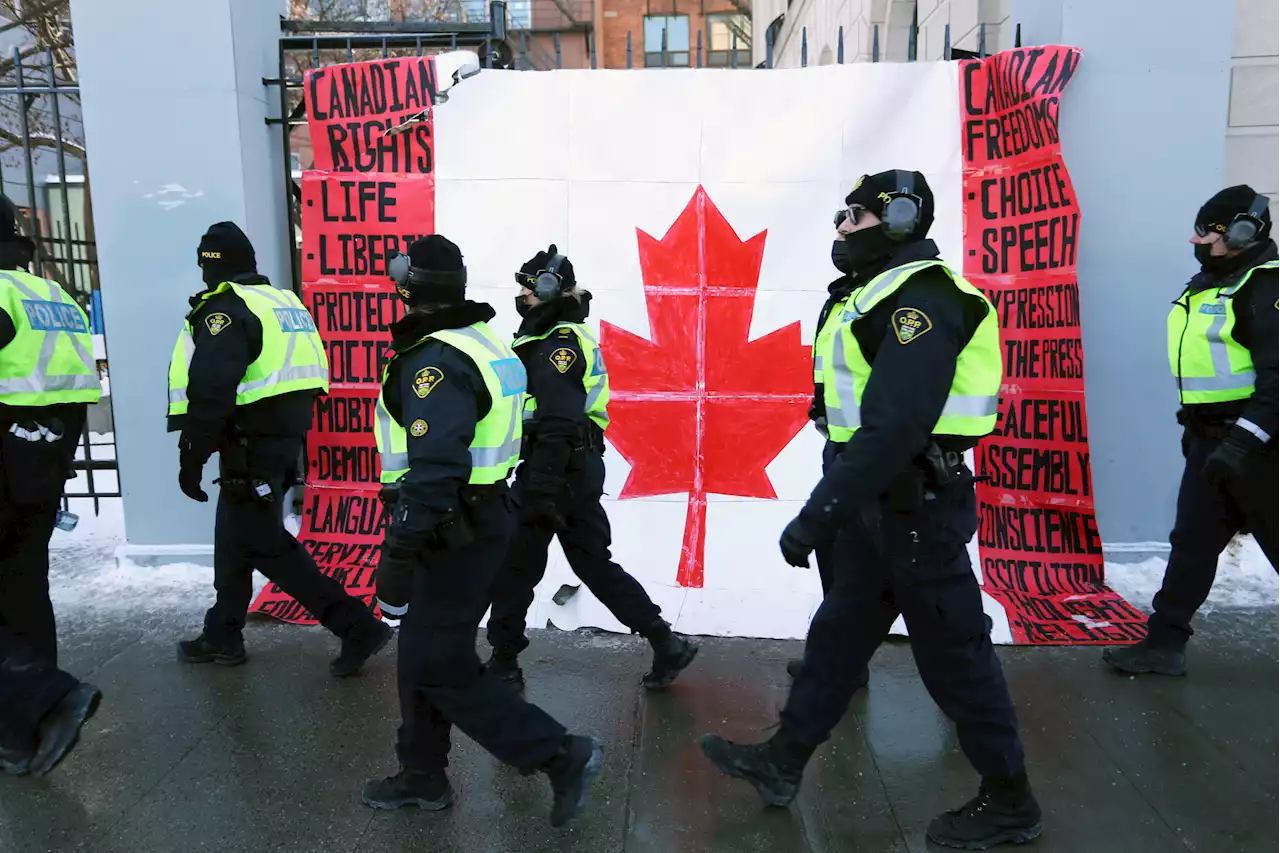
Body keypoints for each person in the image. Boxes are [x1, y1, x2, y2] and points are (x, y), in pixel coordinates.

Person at [699, 170, 1042, 851]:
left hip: (916, 509)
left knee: (956, 662)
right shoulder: (872, 295)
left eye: (852, 217)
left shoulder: (925, 299)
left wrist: (821, 511)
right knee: (838, 636)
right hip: (876, 506)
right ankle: (783, 761)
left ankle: (1011, 799)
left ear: (900, 219)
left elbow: (896, 426)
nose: (841, 230)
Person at [363, 235, 601, 827]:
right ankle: (422, 773)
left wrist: (401, 548)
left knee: (440, 663)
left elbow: (437, 466)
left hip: (449, 527)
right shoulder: (481, 340)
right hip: (477, 517)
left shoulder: (434, 361)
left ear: (408, 287)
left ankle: (558, 753)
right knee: (421, 655)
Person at [167, 222, 392, 676]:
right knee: (233, 540)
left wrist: (192, 454)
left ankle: (356, 626)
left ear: (212, 265)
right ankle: (223, 632)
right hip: (278, 443)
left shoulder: (227, 309)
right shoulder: (284, 303)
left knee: (266, 547)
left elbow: (212, 389)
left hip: (248, 445)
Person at [483, 245, 698, 693]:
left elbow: (558, 418)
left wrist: (539, 486)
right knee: (592, 563)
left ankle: (504, 662)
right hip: (575, 467)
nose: (521, 297)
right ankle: (665, 642)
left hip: (554, 466)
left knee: (516, 567)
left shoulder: (557, 343)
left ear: (548, 291)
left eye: (528, 289)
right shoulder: (558, 337)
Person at [1104, 186, 1280, 677]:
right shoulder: (1213, 282)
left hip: (1261, 448)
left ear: (1242, 234)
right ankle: (1164, 644)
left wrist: (1244, 441)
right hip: (1210, 441)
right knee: (1192, 543)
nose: (1195, 238)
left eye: (1207, 231)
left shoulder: (1267, 289)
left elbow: (1279, 381)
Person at [0, 192, 102, 776]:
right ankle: (26, 728)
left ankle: (46, 697)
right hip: (41, 465)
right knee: (23, 593)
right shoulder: (50, 294)